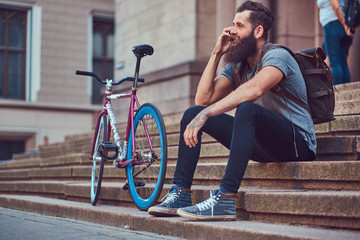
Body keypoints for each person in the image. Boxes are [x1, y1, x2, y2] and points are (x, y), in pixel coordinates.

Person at [148, 0, 316, 221]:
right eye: (232, 24)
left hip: (297, 144)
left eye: (239, 25)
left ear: (258, 31)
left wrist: (207, 113)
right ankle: (180, 192)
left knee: (246, 109)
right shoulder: (238, 66)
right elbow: (203, 98)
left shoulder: (278, 56)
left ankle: (225, 198)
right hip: (266, 146)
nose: (231, 31)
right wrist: (216, 53)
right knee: (192, 113)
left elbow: (255, 89)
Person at [317, 0, 355, 85]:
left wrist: (344, 25)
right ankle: (346, 90)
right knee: (342, 61)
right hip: (339, 25)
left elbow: (336, 7)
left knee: (335, 62)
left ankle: (338, 91)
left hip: (333, 25)